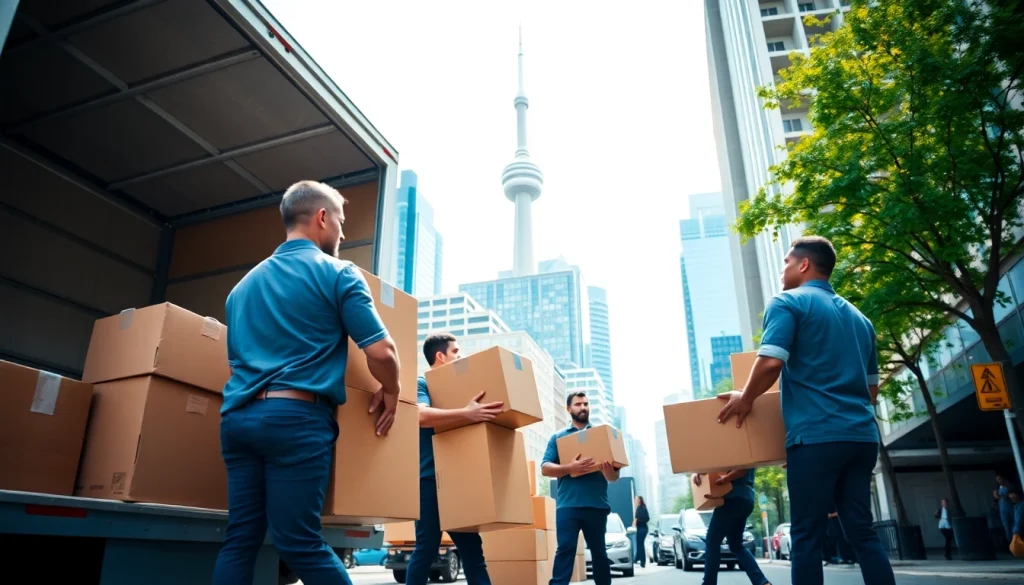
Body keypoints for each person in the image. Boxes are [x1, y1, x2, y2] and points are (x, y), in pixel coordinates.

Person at [213, 180, 402, 585]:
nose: (343, 232)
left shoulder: (240, 289)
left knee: (240, 539)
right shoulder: (337, 273)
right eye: (341, 221)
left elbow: (235, 363)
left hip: (238, 420)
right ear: (321, 218)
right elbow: (382, 352)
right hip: (295, 419)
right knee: (299, 540)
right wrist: (393, 390)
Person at [717, 236, 896, 585]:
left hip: (816, 437)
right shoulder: (862, 320)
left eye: (786, 262)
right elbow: (871, 389)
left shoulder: (787, 303)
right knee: (863, 533)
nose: (782, 269)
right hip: (861, 438)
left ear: (803, 265)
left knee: (807, 536)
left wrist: (746, 398)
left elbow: (770, 362)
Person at [407, 332, 504, 585]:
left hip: (458, 481)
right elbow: (420, 416)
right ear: (440, 356)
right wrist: (467, 413)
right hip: (429, 480)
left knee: (473, 552)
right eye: (455, 352)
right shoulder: (421, 383)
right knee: (426, 549)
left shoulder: (463, 389)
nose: (460, 357)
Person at [541, 392, 620, 585]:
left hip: (596, 505)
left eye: (586, 404)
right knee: (565, 550)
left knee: (599, 552)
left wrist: (608, 470)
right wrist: (570, 468)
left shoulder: (602, 435)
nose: (583, 407)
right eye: (578, 404)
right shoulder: (558, 438)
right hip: (568, 506)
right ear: (569, 409)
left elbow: (614, 478)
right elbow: (545, 468)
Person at [693, 470, 771, 585]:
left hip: (732, 497)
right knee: (736, 545)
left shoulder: (736, 452)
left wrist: (725, 479)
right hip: (746, 499)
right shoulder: (747, 453)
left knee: (712, 541)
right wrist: (697, 473)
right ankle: (761, 582)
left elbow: (742, 469)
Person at [996, 474, 1017, 543]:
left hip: (1010, 507)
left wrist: (999, 496)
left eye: (999, 479)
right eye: (997, 479)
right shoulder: (998, 488)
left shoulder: (1009, 486)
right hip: (1003, 509)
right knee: (1006, 525)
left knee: (1015, 523)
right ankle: (1011, 542)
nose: (998, 481)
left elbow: (1008, 496)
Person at [633, 496, 650, 568]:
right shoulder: (639, 508)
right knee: (639, 543)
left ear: (639, 500)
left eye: (636, 500)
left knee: (640, 544)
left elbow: (647, 519)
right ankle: (637, 558)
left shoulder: (641, 508)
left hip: (642, 528)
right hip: (640, 528)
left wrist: (637, 521)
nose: (635, 501)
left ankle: (642, 561)